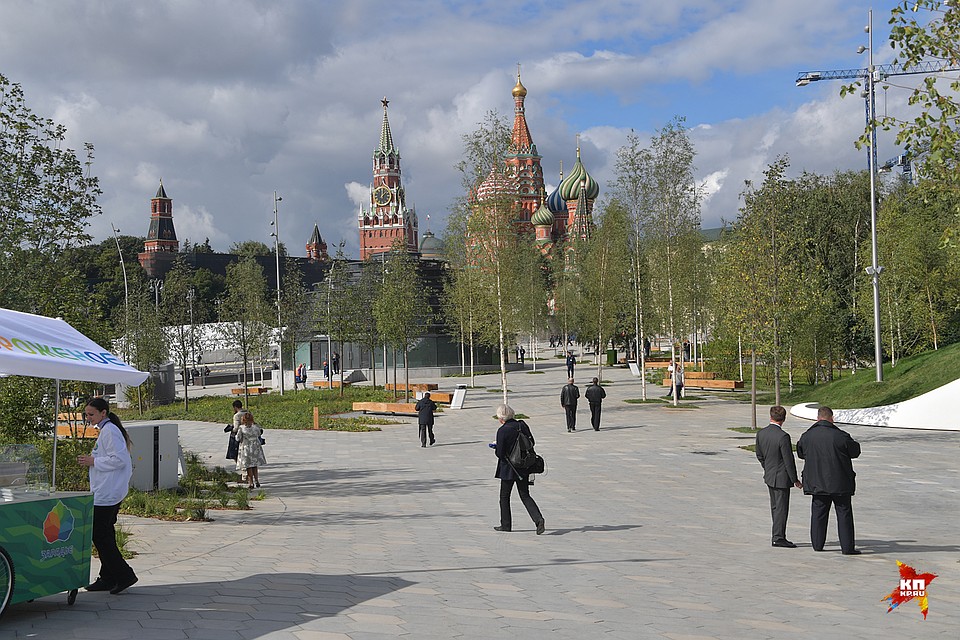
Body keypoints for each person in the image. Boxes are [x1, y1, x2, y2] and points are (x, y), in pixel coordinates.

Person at [78, 397, 138, 595]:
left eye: (91, 414)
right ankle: (108, 576)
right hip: (108, 491)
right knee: (106, 534)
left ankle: (124, 574)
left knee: (100, 535)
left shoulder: (110, 431)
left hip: (108, 494)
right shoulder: (107, 430)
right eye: (87, 414)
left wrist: (93, 461)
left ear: (103, 413)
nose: (88, 418)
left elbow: (119, 460)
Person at [796, 406, 862, 555]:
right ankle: (847, 548)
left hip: (816, 482)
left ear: (817, 418)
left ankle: (818, 545)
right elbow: (855, 451)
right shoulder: (841, 436)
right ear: (832, 419)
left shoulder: (807, 436)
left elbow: (801, 453)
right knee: (844, 514)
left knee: (818, 513)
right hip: (840, 482)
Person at [493, 404, 544, 535]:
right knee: (525, 495)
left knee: (504, 496)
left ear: (501, 418)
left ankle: (506, 525)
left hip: (509, 468)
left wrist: (496, 447)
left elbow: (500, 453)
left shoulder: (502, 430)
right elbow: (532, 442)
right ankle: (538, 519)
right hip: (524, 465)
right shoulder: (522, 425)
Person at [756, 405, 803, 548]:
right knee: (781, 508)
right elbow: (788, 460)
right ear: (783, 419)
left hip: (770, 476)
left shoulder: (761, 433)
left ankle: (777, 535)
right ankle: (778, 537)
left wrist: (767, 468)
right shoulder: (783, 436)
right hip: (782, 477)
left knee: (775, 507)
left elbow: (759, 455)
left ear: (770, 416)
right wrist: (794, 479)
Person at [235, 410, 267, 489]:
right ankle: (257, 481)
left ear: (243, 420)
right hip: (255, 447)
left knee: (248, 466)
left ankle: (251, 483)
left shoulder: (242, 428)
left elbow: (237, 438)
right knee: (254, 465)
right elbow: (259, 433)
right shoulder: (255, 427)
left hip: (246, 447)